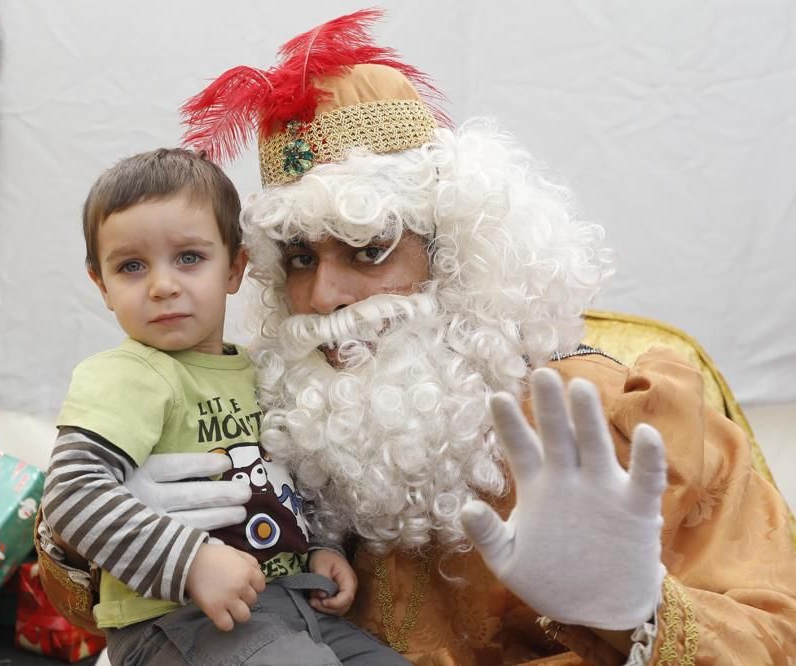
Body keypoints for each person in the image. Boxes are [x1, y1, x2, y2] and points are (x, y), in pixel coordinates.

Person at [183, 8, 796, 663]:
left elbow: (778, 635)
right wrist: (92, 541)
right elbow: (87, 613)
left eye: (368, 249)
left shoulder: (606, 419)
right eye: (300, 257)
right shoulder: (264, 408)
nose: (322, 296)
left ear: (453, 255)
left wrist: (634, 615)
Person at [39, 148, 408, 665]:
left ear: (235, 267)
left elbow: (281, 479)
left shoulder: (261, 370)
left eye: (189, 257)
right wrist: (189, 560)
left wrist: (317, 547)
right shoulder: (126, 374)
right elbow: (71, 494)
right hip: (176, 617)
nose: (163, 285)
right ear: (100, 283)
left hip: (291, 603)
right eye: (130, 266)